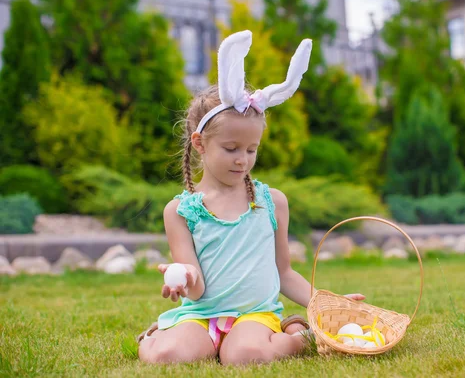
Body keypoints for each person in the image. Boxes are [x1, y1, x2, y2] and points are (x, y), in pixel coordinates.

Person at [137, 31, 364, 366]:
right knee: (169, 357)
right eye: (231, 149)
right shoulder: (181, 212)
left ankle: (298, 333)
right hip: (202, 315)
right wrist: (183, 277)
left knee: (245, 355)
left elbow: (284, 272)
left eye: (251, 149)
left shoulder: (271, 202)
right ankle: (156, 338)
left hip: (255, 316)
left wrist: (328, 305)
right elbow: (197, 290)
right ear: (200, 144)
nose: (242, 159)